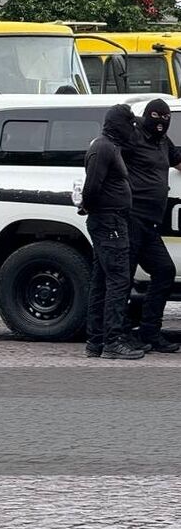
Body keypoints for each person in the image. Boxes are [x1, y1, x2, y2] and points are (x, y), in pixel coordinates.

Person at [81, 105, 142, 360]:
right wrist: (90, 206)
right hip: (110, 223)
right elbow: (92, 185)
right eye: (130, 124)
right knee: (118, 281)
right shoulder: (104, 147)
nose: (134, 129)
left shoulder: (108, 145)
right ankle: (112, 341)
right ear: (119, 124)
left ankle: (96, 341)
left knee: (102, 282)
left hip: (109, 221)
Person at [122, 98, 181, 353]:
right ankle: (119, 334)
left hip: (151, 224)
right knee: (123, 279)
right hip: (131, 217)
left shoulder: (162, 142)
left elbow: (178, 161)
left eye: (165, 118)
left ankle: (149, 331)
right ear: (146, 116)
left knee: (165, 271)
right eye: (156, 116)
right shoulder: (133, 138)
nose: (161, 122)